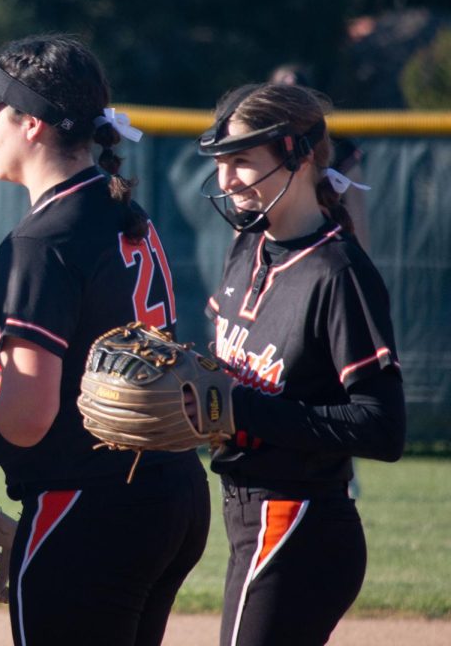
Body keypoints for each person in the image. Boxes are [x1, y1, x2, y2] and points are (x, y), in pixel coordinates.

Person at [0, 35, 210, 645]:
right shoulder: (119, 210)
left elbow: (26, 414)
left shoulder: (41, 242)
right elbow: (70, 349)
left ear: (34, 124)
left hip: (88, 503)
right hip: (170, 493)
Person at [194, 83, 405, 646]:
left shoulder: (339, 273)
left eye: (242, 161)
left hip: (299, 521)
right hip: (249, 515)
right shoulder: (248, 246)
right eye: (222, 163)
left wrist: (242, 408)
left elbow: (382, 427)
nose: (226, 180)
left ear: (299, 155)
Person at [269, 63, 371, 251]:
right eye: (283, 101)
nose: (290, 111)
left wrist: (362, 259)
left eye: (297, 99)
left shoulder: (339, 149)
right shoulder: (260, 149)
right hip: (276, 253)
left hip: (324, 249)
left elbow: (357, 219)